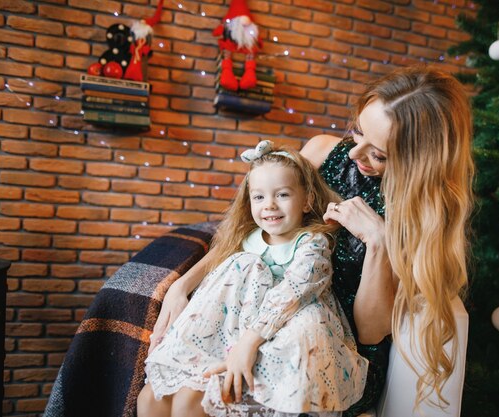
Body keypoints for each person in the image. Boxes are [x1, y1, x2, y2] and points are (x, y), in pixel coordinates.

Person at [149, 65, 474, 415]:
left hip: (325, 344)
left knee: (199, 402)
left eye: (377, 154)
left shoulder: (419, 216)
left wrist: (378, 242)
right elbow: (251, 231)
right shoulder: (323, 152)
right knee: (155, 398)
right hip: (267, 306)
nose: (354, 153)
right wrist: (183, 286)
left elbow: (369, 332)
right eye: (357, 131)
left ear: (418, 161)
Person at [137, 140, 368, 417]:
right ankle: (195, 362)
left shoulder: (311, 243)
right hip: (230, 329)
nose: (269, 205)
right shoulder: (246, 241)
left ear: (306, 201)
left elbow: (295, 290)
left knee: (189, 404)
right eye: (259, 197)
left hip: (281, 325)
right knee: (150, 399)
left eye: (282, 195)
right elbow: (215, 294)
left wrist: (248, 342)